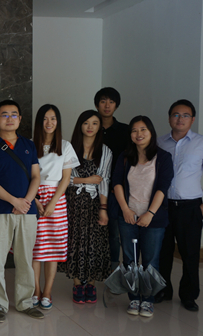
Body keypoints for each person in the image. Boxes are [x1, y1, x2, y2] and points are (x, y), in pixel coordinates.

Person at [0, 99, 44, 321]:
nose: (9, 118)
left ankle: (25, 302)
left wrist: (26, 201)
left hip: (27, 211)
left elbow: (36, 176)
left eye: (14, 114)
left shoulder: (29, 145)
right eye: (4, 115)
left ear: (20, 119)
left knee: (25, 259)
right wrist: (14, 201)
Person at [112, 116, 173, 317]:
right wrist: (126, 210)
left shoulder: (163, 157)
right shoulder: (125, 156)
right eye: (134, 130)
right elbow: (117, 184)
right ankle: (134, 298)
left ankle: (147, 300)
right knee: (130, 260)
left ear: (151, 132)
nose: (139, 134)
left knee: (151, 261)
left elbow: (163, 187)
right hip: (128, 216)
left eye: (143, 129)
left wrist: (150, 213)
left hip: (153, 219)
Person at [157, 99, 203, 312]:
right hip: (163, 205)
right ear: (170, 117)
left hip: (190, 207)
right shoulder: (159, 142)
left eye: (185, 115)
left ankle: (189, 295)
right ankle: (163, 290)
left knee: (190, 253)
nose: (180, 119)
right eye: (176, 114)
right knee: (163, 251)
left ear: (193, 119)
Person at [59, 110, 112, 305]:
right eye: (86, 123)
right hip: (71, 203)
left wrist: (103, 208)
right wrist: (86, 179)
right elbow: (63, 179)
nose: (90, 127)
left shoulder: (105, 151)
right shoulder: (68, 148)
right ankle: (76, 283)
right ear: (80, 125)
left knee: (94, 243)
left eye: (95, 123)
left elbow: (104, 180)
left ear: (100, 127)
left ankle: (90, 283)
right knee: (74, 242)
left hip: (94, 204)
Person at [30, 104, 80, 310]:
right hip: (33, 196)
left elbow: (66, 179)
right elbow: (26, 176)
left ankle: (47, 291)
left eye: (53, 119)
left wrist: (52, 202)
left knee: (52, 247)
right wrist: (35, 200)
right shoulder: (30, 145)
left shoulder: (65, 146)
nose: (49, 123)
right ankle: (35, 290)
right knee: (35, 248)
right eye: (45, 119)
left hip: (57, 200)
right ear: (39, 122)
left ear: (58, 122)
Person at [95, 87, 130, 271]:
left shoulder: (125, 131)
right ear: (96, 104)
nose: (107, 105)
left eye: (111, 102)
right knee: (94, 229)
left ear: (116, 105)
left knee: (114, 232)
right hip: (93, 187)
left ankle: (114, 269)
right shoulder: (90, 127)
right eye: (103, 101)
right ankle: (96, 266)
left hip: (117, 188)